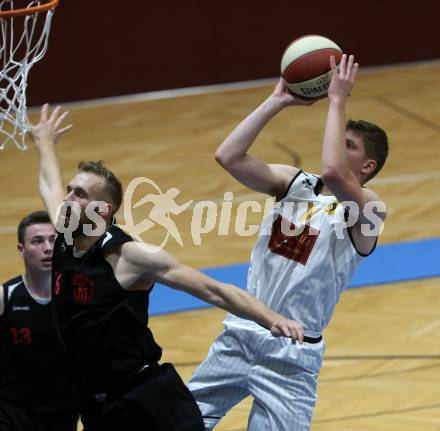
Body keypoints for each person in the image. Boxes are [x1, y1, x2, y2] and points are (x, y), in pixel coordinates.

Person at [29, 105, 306, 431]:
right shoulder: (64, 231)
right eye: (70, 190)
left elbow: (214, 290)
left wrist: (272, 319)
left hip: (148, 402)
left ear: (103, 211)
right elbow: (49, 185)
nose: (67, 198)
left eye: (79, 194)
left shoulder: (130, 256)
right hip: (97, 404)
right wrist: (45, 141)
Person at [188, 54, 389, 430]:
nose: (335, 146)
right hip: (245, 330)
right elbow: (227, 155)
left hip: (293, 352)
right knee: (174, 421)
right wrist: (277, 99)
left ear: (367, 167)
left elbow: (333, 169)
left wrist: (337, 100)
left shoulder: (370, 210)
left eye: (349, 144)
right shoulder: (295, 183)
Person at [0, 211, 79, 431]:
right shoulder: (6, 297)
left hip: (63, 413)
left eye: (53, 240)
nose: (47, 248)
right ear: (21, 250)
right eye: (37, 241)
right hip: (12, 413)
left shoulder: (76, 296)